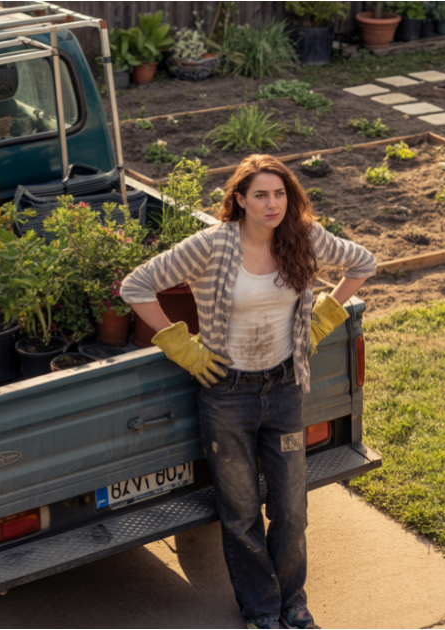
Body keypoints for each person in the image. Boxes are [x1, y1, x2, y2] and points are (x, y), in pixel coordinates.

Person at [120, 154, 376, 630]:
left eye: (280, 193)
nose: (272, 203)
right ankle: (261, 610)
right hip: (226, 394)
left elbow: (363, 262)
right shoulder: (212, 246)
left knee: (291, 509)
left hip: (283, 389)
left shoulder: (302, 237)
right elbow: (136, 286)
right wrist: (182, 346)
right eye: (260, 194)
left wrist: (324, 316)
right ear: (239, 200)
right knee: (239, 514)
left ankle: (292, 603)